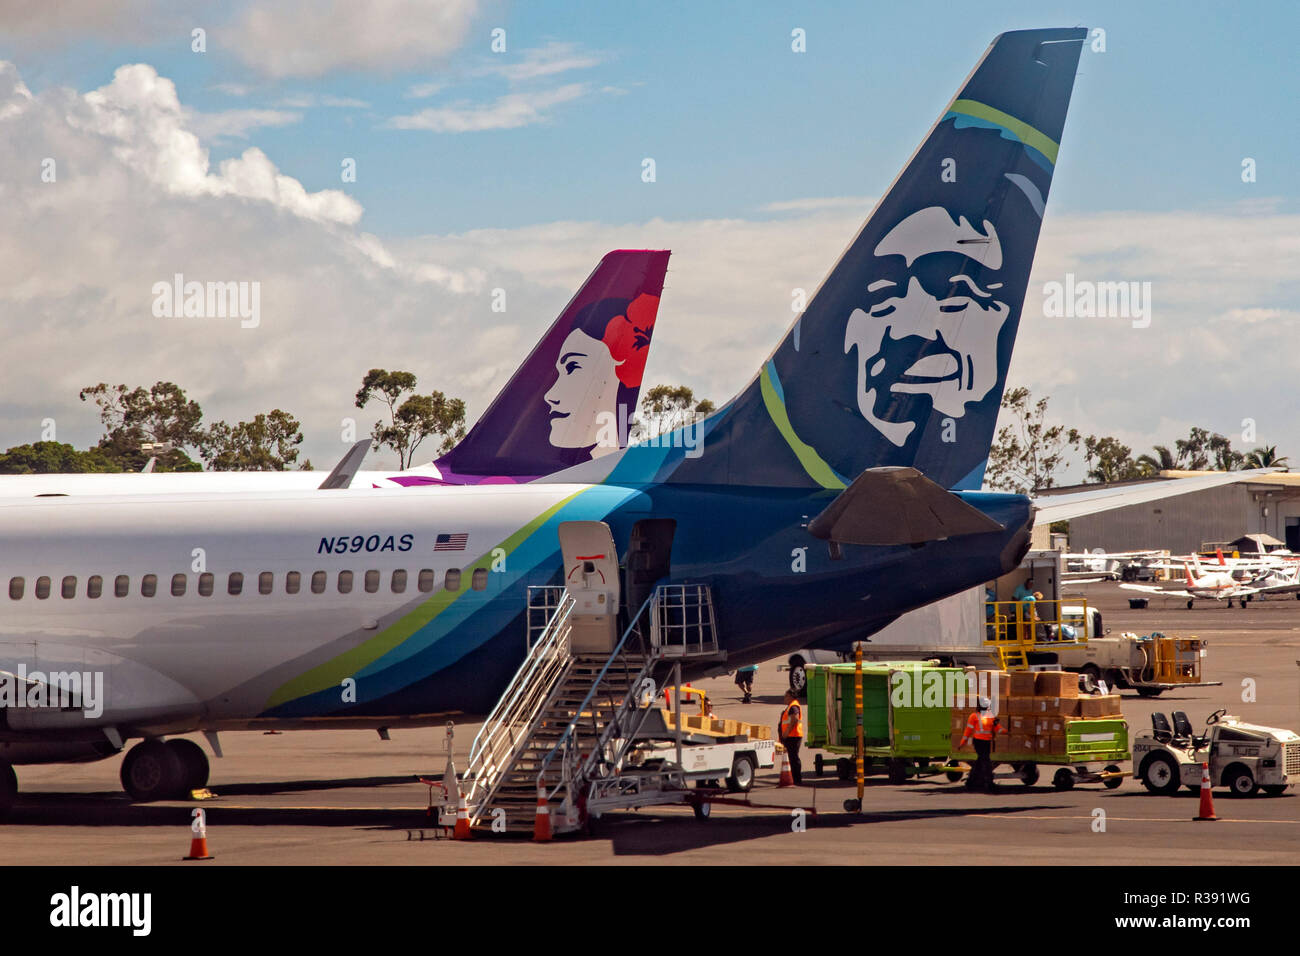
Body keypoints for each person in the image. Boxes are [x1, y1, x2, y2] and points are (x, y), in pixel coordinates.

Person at [959, 696, 1002, 791]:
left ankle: (970, 782)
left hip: (986, 742)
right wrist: (962, 743)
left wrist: (1003, 729)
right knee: (986, 762)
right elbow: (968, 731)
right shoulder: (974, 716)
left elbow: (996, 728)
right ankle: (989, 783)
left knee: (980, 761)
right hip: (979, 742)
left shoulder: (989, 716)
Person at [779, 690, 804, 785]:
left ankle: (797, 779)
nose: (784, 698)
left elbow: (795, 720)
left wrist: (786, 732)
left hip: (793, 736)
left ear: (791, 696)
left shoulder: (793, 706)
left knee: (793, 758)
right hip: (791, 735)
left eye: (786, 696)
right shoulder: (791, 706)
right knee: (792, 757)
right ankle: (794, 778)